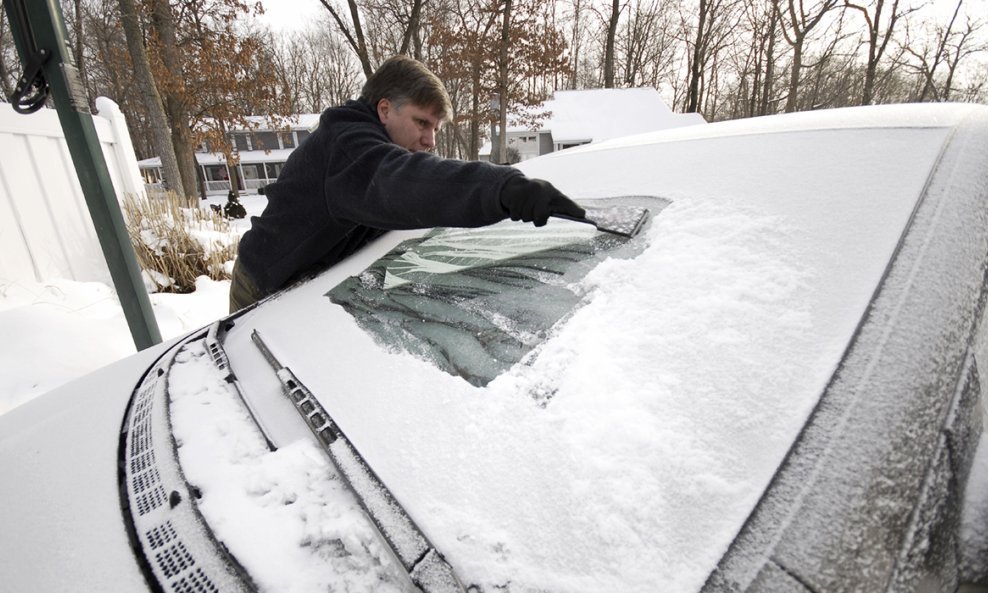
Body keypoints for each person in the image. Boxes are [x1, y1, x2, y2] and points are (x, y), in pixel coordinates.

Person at [229, 55, 585, 312]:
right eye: (422, 123)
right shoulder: (349, 148)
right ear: (385, 109)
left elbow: (412, 198)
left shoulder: (362, 144)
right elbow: (405, 182)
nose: (430, 140)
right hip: (265, 288)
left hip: (309, 282)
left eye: (435, 128)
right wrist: (503, 189)